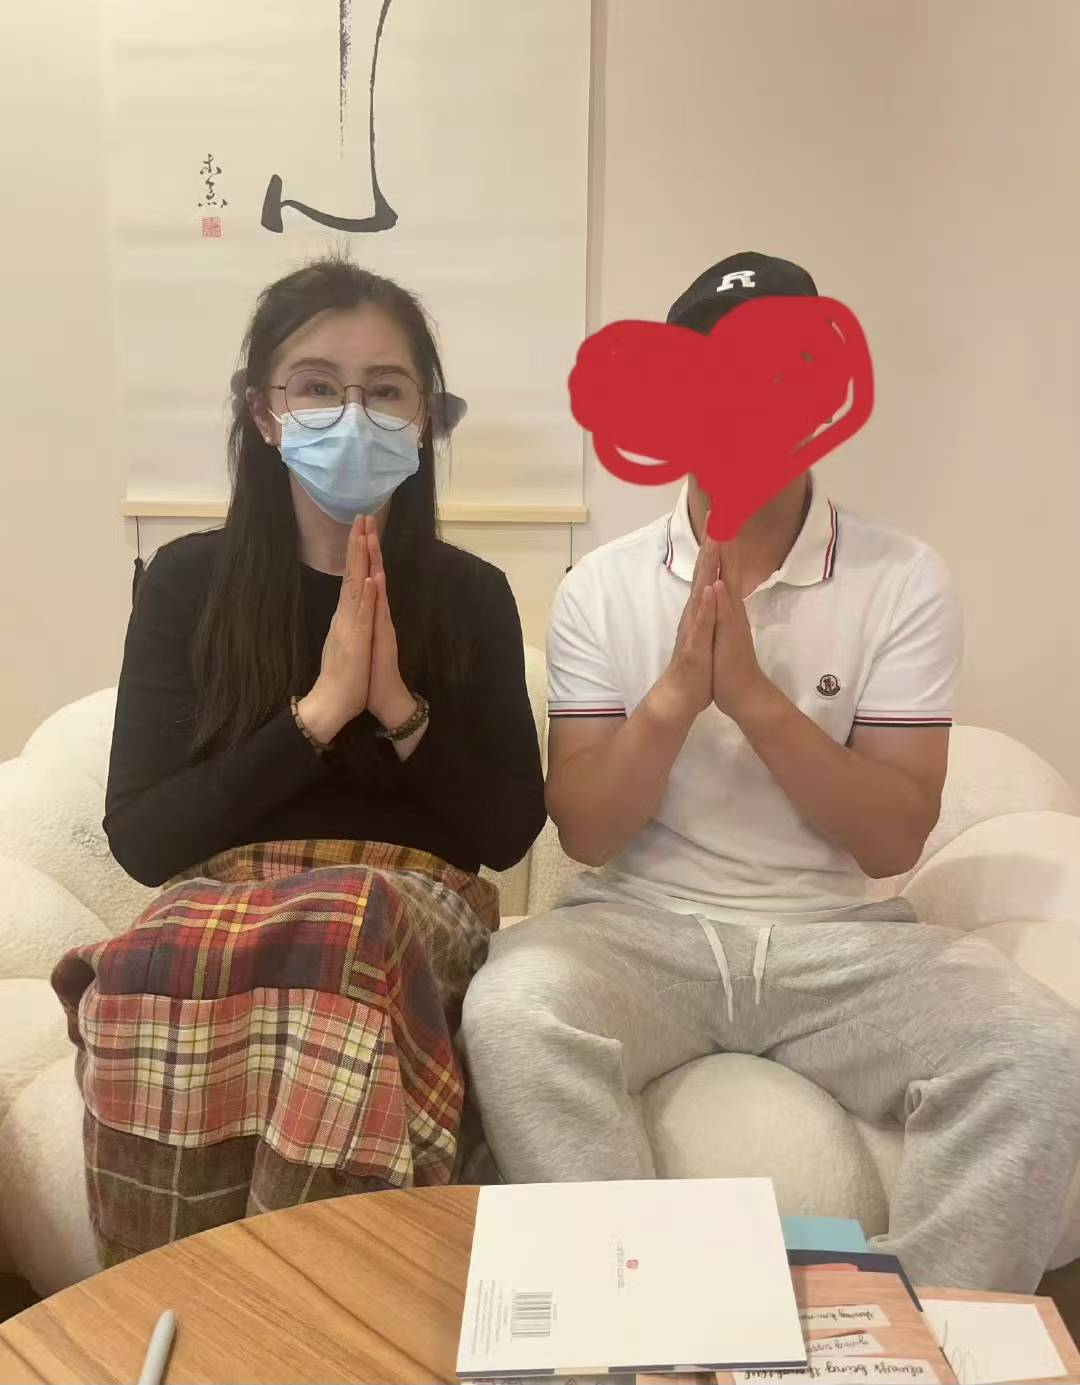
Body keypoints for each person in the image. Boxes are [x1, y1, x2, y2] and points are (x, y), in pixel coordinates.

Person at [462, 251, 1080, 1294]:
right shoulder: (603, 586)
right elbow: (587, 830)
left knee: (1040, 1051)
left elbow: (890, 838)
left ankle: (929, 1334)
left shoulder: (902, 578)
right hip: (640, 928)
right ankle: (639, 1308)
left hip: (839, 940)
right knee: (513, 1009)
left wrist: (753, 697)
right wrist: (675, 696)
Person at [53, 256, 546, 1263]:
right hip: (223, 906)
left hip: (404, 912)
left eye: (386, 390)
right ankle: (177, 1292)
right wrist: (317, 714)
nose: (352, 414)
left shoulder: (471, 595)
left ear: (425, 418)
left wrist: (397, 706)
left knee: (344, 922)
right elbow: (143, 838)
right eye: (317, 386)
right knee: (153, 946)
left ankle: (310, 1300)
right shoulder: (187, 583)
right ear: (265, 413)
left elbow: (506, 831)